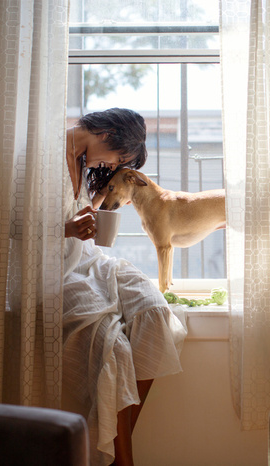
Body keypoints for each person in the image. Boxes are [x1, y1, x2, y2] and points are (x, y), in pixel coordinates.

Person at [62, 108, 187, 466]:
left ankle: (116, 446)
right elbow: (8, 227)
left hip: (91, 260)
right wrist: (67, 230)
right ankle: (123, 460)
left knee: (156, 313)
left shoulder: (87, 169)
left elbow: (82, 212)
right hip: (58, 270)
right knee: (113, 346)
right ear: (107, 133)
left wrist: (98, 201)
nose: (115, 164)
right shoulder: (42, 157)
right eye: (120, 157)